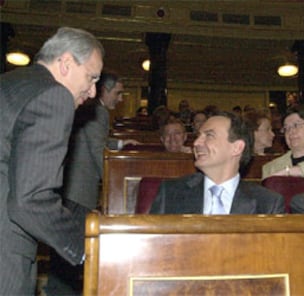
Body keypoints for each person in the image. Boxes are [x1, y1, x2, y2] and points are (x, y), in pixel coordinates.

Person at [0, 27, 104, 295]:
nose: (93, 92)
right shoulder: (54, 96)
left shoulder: (10, 83)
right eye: (91, 78)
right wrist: (87, 248)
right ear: (66, 64)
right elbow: (30, 200)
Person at [45, 73, 140, 294]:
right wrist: (114, 185)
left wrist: (120, 142)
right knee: (69, 252)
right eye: (117, 93)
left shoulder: (90, 108)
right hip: (79, 193)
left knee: (63, 250)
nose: (120, 99)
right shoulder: (99, 111)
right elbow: (98, 151)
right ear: (104, 90)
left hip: (71, 189)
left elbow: (94, 138)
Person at [150, 111, 285, 214]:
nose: (196, 143)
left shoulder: (267, 203)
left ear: (236, 147)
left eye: (209, 136)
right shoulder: (171, 192)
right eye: (198, 136)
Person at [262, 104, 304, 182]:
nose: (291, 131)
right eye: (286, 128)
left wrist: (296, 171)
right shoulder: (271, 168)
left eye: (296, 125)